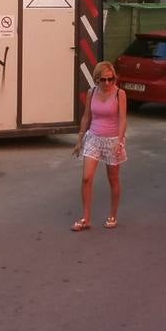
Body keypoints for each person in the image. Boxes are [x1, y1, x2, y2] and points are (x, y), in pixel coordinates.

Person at [71, 60, 128, 231]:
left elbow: (123, 119)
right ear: (97, 79)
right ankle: (86, 218)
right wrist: (80, 140)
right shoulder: (92, 92)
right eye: (103, 79)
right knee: (86, 178)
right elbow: (86, 117)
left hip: (112, 140)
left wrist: (120, 140)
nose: (107, 83)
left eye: (111, 79)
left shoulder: (120, 94)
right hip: (94, 138)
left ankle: (113, 214)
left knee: (113, 180)